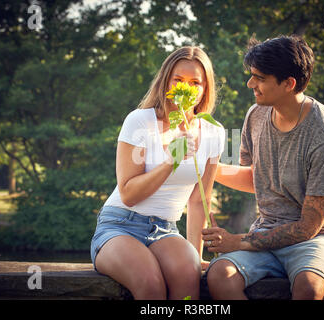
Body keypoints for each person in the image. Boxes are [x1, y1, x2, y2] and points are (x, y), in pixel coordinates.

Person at [202, 35, 324, 300]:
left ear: (289, 84)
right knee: (218, 276)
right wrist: (208, 169)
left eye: (259, 78)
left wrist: (236, 241)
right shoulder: (256, 115)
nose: (251, 84)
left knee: (308, 287)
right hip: (265, 232)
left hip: (318, 238)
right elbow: (255, 178)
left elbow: (308, 227)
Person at [90, 46, 225, 300]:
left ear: (205, 88)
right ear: (166, 82)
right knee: (150, 283)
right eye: (179, 80)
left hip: (166, 230)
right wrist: (171, 162)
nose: (187, 88)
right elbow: (128, 194)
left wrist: (196, 255)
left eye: (196, 82)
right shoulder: (139, 121)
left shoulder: (213, 132)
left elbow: (199, 201)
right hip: (120, 225)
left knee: (188, 275)